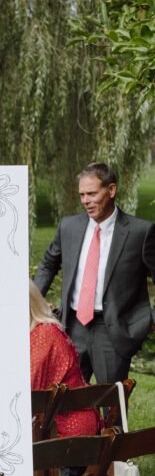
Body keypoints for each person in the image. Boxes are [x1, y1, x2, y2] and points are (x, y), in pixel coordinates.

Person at [34, 162, 155, 383]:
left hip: (113, 332)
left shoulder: (140, 232)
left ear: (111, 190)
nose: (85, 201)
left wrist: (148, 320)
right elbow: (48, 264)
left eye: (91, 194)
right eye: (81, 195)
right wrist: (33, 303)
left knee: (112, 408)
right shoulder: (68, 227)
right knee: (64, 403)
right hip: (72, 327)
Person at [29, 281, 100, 438]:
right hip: (50, 424)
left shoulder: (44, 335)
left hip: (66, 428)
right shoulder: (39, 331)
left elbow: (30, 390)